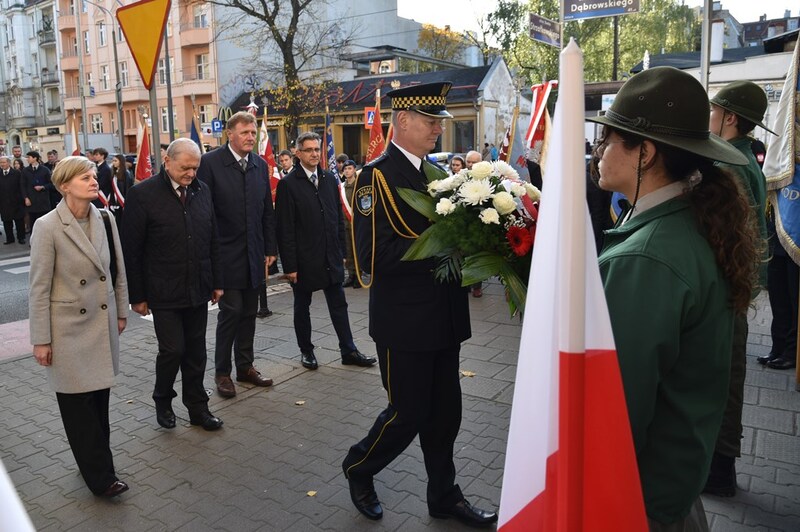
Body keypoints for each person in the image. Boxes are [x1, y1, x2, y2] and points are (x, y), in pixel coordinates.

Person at [588, 66, 758, 529]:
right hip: (672, 486)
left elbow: (616, 413)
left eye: (608, 138)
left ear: (644, 153)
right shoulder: (686, 221)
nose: (599, 150)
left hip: (639, 500)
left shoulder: (645, 261)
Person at [344, 82, 497, 527]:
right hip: (405, 321)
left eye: (439, 122)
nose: (437, 129)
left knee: (446, 415)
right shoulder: (376, 176)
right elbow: (371, 257)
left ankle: (443, 496)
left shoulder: (437, 176)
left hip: (445, 317)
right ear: (403, 121)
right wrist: (443, 246)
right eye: (430, 122)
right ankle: (359, 467)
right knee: (406, 414)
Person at [28, 155, 130, 497]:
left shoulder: (104, 217)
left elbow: (117, 268)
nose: (93, 180)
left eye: (92, 175)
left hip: (100, 324)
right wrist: (41, 339)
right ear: (64, 185)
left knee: (99, 403)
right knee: (78, 409)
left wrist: (121, 309)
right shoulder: (47, 226)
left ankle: (98, 464)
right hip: (67, 329)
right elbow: (38, 288)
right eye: (84, 177)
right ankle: (101, 479)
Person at [703, 80, 775, 497]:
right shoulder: (745, 158)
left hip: (726, 285)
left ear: (729, 117)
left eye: (714, 110)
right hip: (737, 284)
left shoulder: (730, 163)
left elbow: (731, 234)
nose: (709, 117)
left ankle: (720, 471)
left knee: (725, 376)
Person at [122, 138, 224, 432]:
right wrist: (137, 295)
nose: (191, 174)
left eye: (195, 168)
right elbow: (133, 250)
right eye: (185, 168)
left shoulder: (202, 191)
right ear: (167, 161)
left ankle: (197, 408)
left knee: (196, 352)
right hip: (163, 290)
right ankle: (163, 399)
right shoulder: (142, 195)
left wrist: (217, 281)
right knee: (173, 350)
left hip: (197, 287)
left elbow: (212, 239)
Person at [275, 132, 375, 371]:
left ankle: (348, 350)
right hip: (304, 259)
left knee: (339, 304)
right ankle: (307, 351)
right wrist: (290, 267)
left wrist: (342, 251)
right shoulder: (288, 184)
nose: (313, 154)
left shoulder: (330, 179)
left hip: (331, 255)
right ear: (298, 153)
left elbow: (337, 219)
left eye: (316, 149)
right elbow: (285, 229)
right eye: (308, 150)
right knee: (302, 307)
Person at [197, 111, 277, 398]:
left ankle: (245, 367)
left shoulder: (259, 163)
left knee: (248, 313)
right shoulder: (210, 163)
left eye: (253, 133)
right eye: (244, 133)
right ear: (229, 134)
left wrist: (270, 248)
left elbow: (267, 210)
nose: (250, 138)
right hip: (225, 253)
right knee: (230, 313)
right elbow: (203, 211)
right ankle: (222, 373)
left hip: (254, 252)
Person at [464, 150, 484, 298]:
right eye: (468, 162)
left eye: (474, 162)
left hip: (479, 225)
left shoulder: (486, 179)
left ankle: (477, 285)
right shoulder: (461, 177)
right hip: (463, 224)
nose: (470, 165)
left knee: (477, 256)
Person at [22, 151, 53, 236]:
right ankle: (34, 240)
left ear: (35, 158)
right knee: (32, 222)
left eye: (29, 157)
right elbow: (23, 185)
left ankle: (46, 239)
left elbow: (51, 184)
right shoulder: (25, 171)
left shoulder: (44, 170)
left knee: (44, 221)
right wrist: (26, 198)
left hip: (43, 201)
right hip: (31, 200)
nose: (27, 159)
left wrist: (43, 187)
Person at [341, 160, 359, 288]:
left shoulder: (360, 186)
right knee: (348, 251)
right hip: (345, 224)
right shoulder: (341, 188)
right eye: (345, 169)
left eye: (349, 168)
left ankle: (359, 275)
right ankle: (351, 274)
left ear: (354, 170)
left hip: (357, 224)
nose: (347, 171)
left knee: (357, 250)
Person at [0, 156, 25, 244]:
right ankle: (10, 239)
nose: (2, 164)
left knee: (19, 221)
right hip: (3, 202)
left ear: (9, 163)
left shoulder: (16, 173)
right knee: (7, 222)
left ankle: (21, 237)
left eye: (4, 162)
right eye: (1, 163)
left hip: (16, 201)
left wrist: (23, 198)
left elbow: (21, 186)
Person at [108, 153, 134, 232]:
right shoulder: (114, 173)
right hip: (115, 203)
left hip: (123, 202)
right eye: (113, 161)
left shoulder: (126, 174)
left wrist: (125, 202)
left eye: (115, 161)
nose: (113, 163)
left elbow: (128, 189)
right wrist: (111, 202)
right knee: (117, 224)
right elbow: (112, 190)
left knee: (124, 225)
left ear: (121, 161)